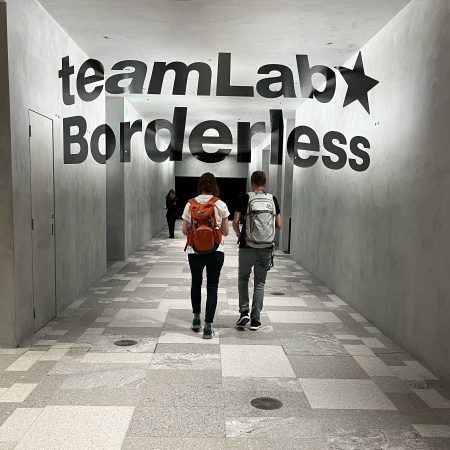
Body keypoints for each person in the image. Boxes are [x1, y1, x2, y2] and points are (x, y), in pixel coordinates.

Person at [181, 173, 230, 339]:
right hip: (216, 251)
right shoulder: (220, 204)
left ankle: (196, 319)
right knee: (212, 286)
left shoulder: (190, 204)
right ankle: (208, 327)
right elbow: (225, 232)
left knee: (196, 283)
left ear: (200, 185)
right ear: (214, 186)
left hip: (194, 251)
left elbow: (184, 230)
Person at [232, 171, 282, 330]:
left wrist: (240, 234)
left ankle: (243, 312)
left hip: (247, 246)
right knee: (260, 282)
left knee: (243, 279)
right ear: (264, 183)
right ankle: (255, 320)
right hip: (266, 247)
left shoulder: (245, 198)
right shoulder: (272, 199)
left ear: (252, 182)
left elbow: (235, 222)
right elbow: (279, 224)